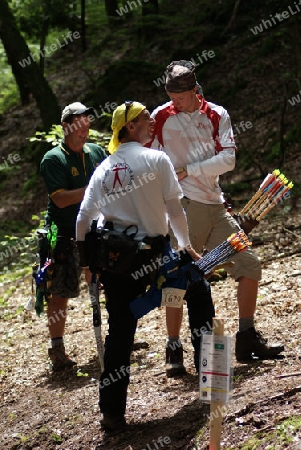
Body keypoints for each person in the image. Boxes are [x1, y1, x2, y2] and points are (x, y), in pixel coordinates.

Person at [76, 101, 215, 431]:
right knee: (198, 292)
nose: (152, 123)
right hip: (156, 258)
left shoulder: (104, 168)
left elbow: (84, 218)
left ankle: (111, 413)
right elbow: (175, 210)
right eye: (144, 120)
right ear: (128, 127)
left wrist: (87, 263)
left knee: (120, 332)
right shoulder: (156, 159)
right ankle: (210, 382)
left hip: (116, 262)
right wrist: (186, 247)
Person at [148, 60, 284, 375]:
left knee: (248, 262)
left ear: (194, 90)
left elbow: (229, 158)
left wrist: (190, 169)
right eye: (171, 96)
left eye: (180, 97)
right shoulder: (160, 116)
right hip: (183, 206)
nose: (175, 102)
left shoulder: (217, 114)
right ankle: (173, 348)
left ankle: (247, 336)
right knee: (179, 277)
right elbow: (149, 156)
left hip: (215, 204)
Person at [40, 102, 107, 371]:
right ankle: (57, 349)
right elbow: (60, 199)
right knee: (59, 293)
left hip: (95, 230)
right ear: (66, 127)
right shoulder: (53, 158)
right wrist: (93, 188)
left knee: (104, 281)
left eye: (88, 122)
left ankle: (116, 337)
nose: (85, 128)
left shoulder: (97, 152)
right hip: (63, 235)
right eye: (79, 124)